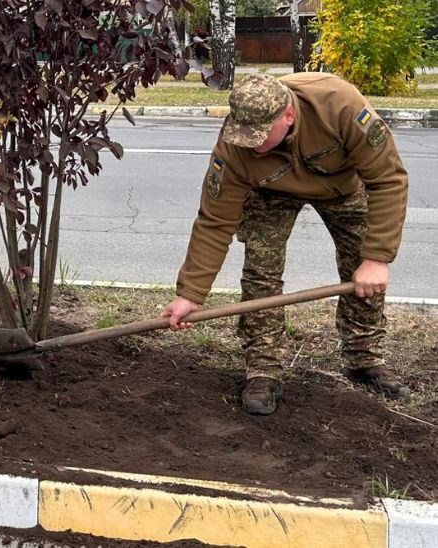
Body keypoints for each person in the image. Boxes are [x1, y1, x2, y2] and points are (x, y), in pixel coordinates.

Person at [161, 72, 410, 416]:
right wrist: (190, 293)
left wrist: (377, 258)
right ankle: (263, 369)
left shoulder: (339, 105)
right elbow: (215, 221)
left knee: (363, 270)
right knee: (261, 274)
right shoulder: (235, 146)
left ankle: (364, 358)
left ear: (288, 115)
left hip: (342, 187)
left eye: (261, 135)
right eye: (245, 135)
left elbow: (387, 179)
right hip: (269, 192)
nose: (252, 143)